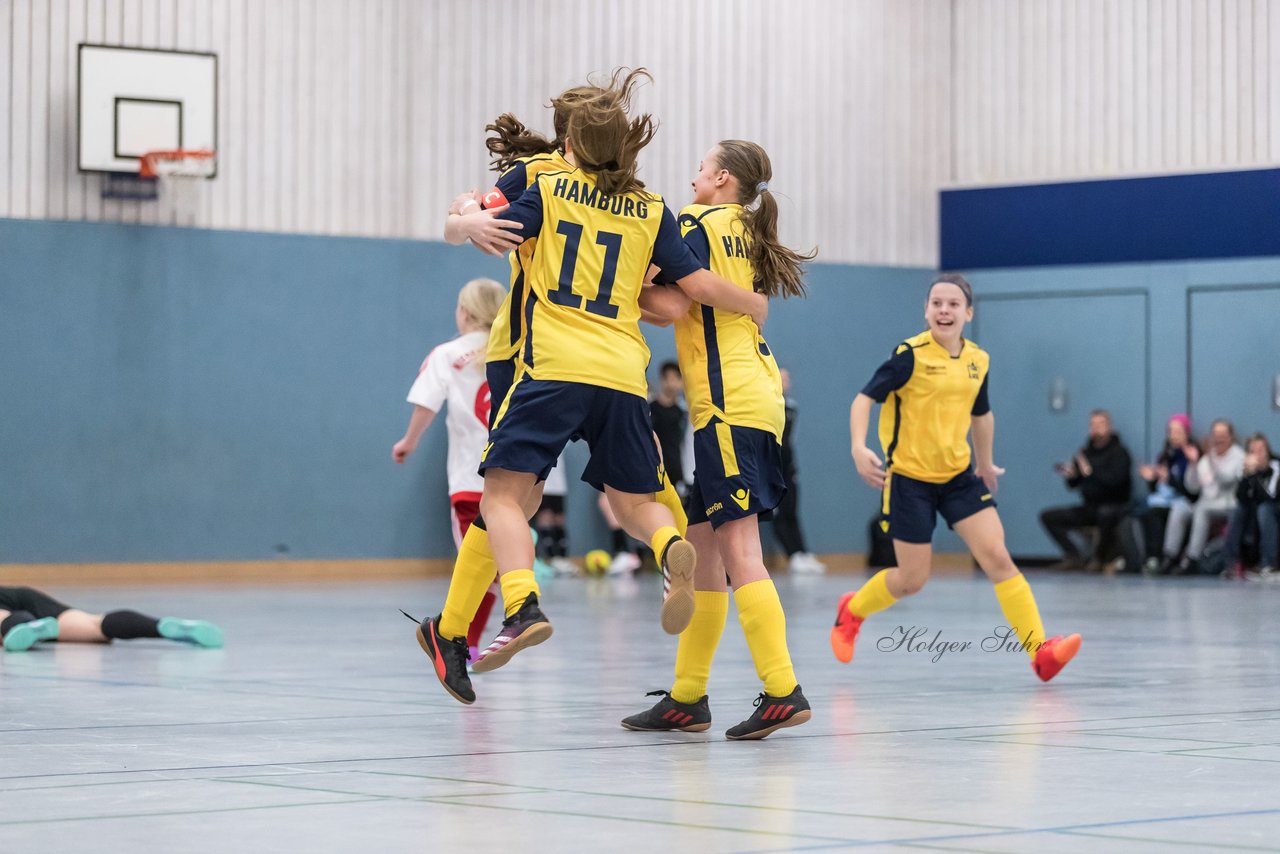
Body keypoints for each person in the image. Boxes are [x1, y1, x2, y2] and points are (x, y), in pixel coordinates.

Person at [427, 69, 769, 705]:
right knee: (633, 498)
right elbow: (676, 303)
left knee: (506, 498)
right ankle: (668, 550)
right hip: (622, 365)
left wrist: (462, 222)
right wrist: (751, 301)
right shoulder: (649, 204)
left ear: (569, 137)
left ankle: (507, 610)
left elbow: (468, 225)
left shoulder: (542, 182)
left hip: (537, 356)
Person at [621, 139, 816, 739]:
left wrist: (607, 287)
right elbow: (691, 303)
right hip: (751, 397)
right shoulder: (749, 231)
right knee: (704, 551)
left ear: (722, 177)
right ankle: (687, 698)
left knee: (740, 554)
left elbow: (679, 299)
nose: (692, 174)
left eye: (701, 167)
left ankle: (782, 689)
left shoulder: (697, 221)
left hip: (729, 402)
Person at [830, 274, 1081, 683]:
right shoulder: (908, 356)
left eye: (952, 304)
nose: (943, 311)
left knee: (998, 558)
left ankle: (1042, 652)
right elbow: (864, 400)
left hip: (959, 477)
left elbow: (981, 414)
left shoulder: (977, 360)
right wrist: (858, 447)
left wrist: (984, 463)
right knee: (912, 580)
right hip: (909, 480)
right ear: (926, 311)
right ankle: (851, 611)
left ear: (968, 312)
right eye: (936, 303)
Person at [393, 277, 508, 659]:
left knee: (475, 565)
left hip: (469, 481)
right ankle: (482, 635)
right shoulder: (515, 350)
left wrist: (408, 442)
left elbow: (426, 402)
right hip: (513, 482)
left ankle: (467, 642)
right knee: (492, 567)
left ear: (465, 312)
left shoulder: (447, 354)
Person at [1039, 410, 1133, 570]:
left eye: (1100, 424)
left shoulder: (1119, 452)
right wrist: (1072, 475)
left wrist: (1090, 471)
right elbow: (1074, 484)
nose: (1096, 428)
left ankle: (1098, 559)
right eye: (1093, 424)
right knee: (1048, 516)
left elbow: (1115, 481)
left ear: (1109, 427)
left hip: (1114, 505)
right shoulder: (1085, 453)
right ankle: (1074, 556)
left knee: (1106, 514)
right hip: (1090, 507)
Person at [1, 586, 222, 652]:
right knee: (95, 626)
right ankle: (157, 627)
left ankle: (26, 627)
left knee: (4, 622)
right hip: (23, 595)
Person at [1160, 418, 1245, 575]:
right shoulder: (1206, 458)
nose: (1219, 438)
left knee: (1201, 510)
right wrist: (1193, 464)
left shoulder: (1238, 456)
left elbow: (1227, 481)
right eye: (1216, 434)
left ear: (1231, 437)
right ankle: (1170, 555)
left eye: (1223, 434)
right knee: (1179, 509)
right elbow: (1192, 487)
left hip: (1228, 504)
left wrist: (1211, 460)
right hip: (1205, 502)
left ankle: (1192, 558)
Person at [773, 368, 825, 573]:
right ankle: (792, 555)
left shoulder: (792, 407)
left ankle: (802, 552)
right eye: (781, 378)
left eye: (787, 378)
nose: (784, 382)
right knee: (778, 514)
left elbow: (791, 438)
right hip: (772, 467)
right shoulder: (767, 402)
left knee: (792, 510)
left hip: (788, 466)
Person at [1136, 414, 1197, 574]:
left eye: (1178, 431)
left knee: (1154, 514)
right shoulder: (1165, 455)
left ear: (1187, 433)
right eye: (1171, 431)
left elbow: (1192, 492)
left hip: (1184, 502)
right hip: (1164, 500)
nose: (1174, 435)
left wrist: (1169, 479)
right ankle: (1140, 558)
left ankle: (1158, 557)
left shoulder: (1191, 455)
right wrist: (1152, 479)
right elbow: (1157, 490)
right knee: (1135, 510)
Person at [1220, 432, 1279, 579]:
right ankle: (1231, 564)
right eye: (1253, 451)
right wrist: (1246, 476)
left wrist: (1253, 475)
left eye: (1261, 450)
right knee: (1238, 511)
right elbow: (1240, 497)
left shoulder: (1276, 467)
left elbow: (1269, 497)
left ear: (1267, 452)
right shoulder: (1246, 469)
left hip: (1274, 508)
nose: (1257, 455)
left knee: (1264, 509)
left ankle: (1269, 564)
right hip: (1255, 512)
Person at [650, 360, 690, 493]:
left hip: (678, 470)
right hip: (656, 468)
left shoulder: (683, 413)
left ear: (681, 382)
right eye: (667, 378)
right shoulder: (650, 409)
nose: (670, 383)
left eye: (675, 379)